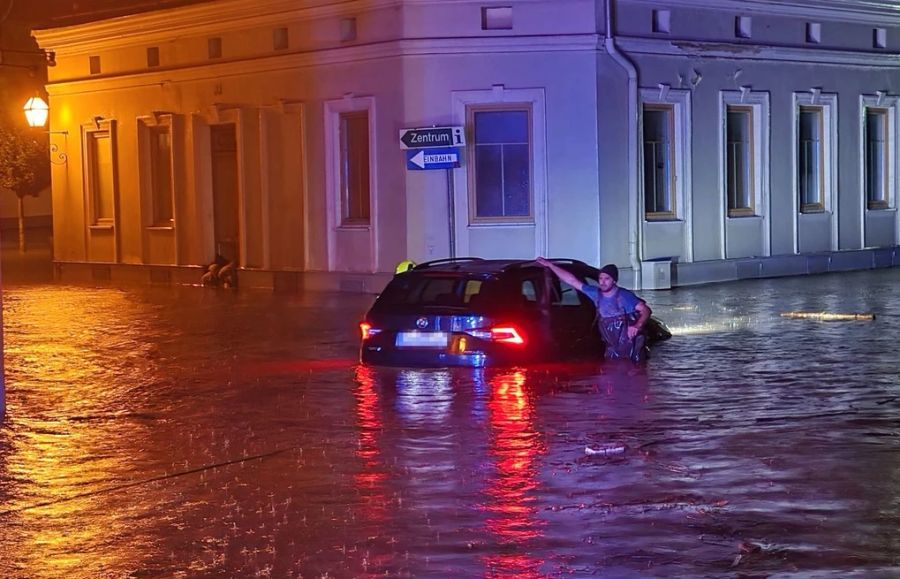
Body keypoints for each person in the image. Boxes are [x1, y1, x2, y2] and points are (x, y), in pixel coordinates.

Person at [536, 257, 652, 363]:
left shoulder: (624, 296)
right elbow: (572, 281)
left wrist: (637, 326)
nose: (602, 282)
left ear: (614, 281)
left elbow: (646, 310)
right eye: (600, 278)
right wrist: (550, 266)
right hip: (612, 347)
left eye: (607, 279)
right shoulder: (595, 294)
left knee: (633, 372)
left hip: (631, 345)